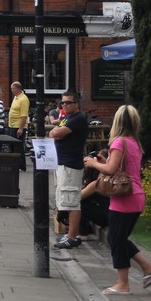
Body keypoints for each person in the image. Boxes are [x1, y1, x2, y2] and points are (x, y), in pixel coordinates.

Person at [83, 105, 151, 294]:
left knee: (115, 239)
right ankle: (148, 267)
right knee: (118, 237)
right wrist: (104, 163)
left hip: (125, 198)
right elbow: (120, 168)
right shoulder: (134, 142)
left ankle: (123, 283)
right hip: (135, 196)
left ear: (117, 121)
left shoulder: (119, 142)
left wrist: (93, 163)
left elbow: (110, 170)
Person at [50, 90, 90, 249]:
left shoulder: (78, 119)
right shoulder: (67, 118)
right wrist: (55, 132)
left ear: (76, 104)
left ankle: (72, 236)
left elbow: (57, 133)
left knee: (72, 201)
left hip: (70, 165)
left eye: (68, 102)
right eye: (63, 103)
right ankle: (71, 234)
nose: (64, 105)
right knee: (65, 199)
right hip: (63, 164)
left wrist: (55, 132)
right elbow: (54, 132)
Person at [57, 148, 110, 241]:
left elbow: (77, 197)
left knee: (77, 203)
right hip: (108, 213)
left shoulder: (100, 180)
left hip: (107, 216)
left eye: (99, 158)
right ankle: (79, 231)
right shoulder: (101, 175)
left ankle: (82, 233)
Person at [7, 81, 29, 171]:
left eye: (13, 88)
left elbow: (24, 115)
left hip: (18, 126)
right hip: (12, 125)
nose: (12, 90)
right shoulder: (16, 98)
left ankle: (21, 166)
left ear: (18, 89)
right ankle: (14, 164)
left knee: (18, 146)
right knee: (12, 145)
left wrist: (21, 128)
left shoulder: (23, 99)